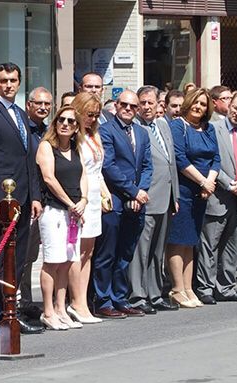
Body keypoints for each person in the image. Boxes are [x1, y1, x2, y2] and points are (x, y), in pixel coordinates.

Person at [0, 62, 43, 334]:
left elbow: (29, 159)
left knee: (17, 259)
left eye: (13, 80)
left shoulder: (20, 114)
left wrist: (35, 196)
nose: (9, 85)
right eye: (3, 80)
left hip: (24, 197)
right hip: (1, 200)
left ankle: (11, 312)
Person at [92, 90, 152, 319]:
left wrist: (141, 192)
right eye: (124, 105)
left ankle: (120, 298)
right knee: (107, 254)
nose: (128, 109)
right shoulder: (105, 131)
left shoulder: (142, 132)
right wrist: (133, 192)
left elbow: (147, 165)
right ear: (116, 105)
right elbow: (109, 166)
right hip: (114, 201)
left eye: (133, 106)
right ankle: (103, 300)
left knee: (126, 253)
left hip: (137, 202)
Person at [196, 92, 237, 303]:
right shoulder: (213, 128)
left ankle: (227, 287)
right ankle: (206, 287)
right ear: (229, 105)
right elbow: (210, 160)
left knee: (233, 245)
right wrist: (228, 183)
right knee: (210, 244)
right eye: (235, 108)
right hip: (219, 195)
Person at [166, 88, 221, 308]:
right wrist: (202, 181)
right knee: (178, 240)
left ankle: (189, 288)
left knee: (191, 242)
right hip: (184, 190)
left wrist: (210, 182)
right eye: (196, 103)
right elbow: (179, 158)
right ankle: (177, 288)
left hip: (203, 191)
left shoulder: (208, 129)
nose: (199, 107)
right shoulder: (178, 126)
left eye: (203, 104)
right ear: (188, 103)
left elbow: (216, 157)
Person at [128, 86, 180, 313]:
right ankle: (138, 295)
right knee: (142, 250)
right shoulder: (135, 128)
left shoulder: (163, 125)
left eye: (151, 103)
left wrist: (175, 195)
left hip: (166, 197)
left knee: (158, 250)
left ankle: (155, 293)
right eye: (143, 103)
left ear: (159, 104)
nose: (147, 107)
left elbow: (172, 163)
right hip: (147, 196)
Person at [36, 106, 87, 330]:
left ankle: (60, 308)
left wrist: (83, 200)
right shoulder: (47, 146)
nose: (66, 124)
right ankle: (47, 311)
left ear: (77, 127)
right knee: (52, 262)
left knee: (67, 262)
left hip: (74, 212)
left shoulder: (76, 148)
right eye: (62, 120)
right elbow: (49, 178)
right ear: (55, 123)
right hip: (54, 210)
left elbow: (83, 174)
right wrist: (69, 203)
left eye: (71, 121)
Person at [68, 92, 108, 324]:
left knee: (88, 251)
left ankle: (82, 301)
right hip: (81, 195)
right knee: (77, 251)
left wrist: (105, 192)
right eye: (89, 115)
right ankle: (76, 302)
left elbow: (97, 170)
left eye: (96, 115)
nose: (92, 119)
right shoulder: (74, 138)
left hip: (94, 193)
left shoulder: (94, 136)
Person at [19, 86, 53, 314]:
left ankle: (29, 301)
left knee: (36, 254)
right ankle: (21, 302)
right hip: (29, 200)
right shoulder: (23, 131)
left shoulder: (49, 131)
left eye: (47, 104)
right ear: (29, 105)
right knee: (24, 254)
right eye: (38, 103)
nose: (43, 108)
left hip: (48, 200)